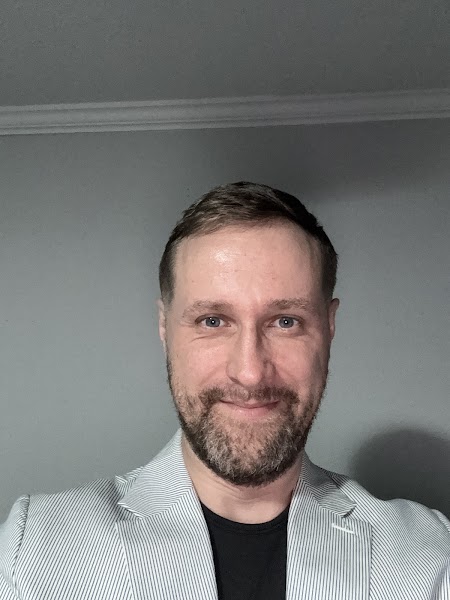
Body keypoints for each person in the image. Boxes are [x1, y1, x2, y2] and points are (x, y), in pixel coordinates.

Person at [0, 181, 449, 600]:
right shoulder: (34, 546)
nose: (250, 373)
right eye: (212, 321)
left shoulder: (428, 555)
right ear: (164, 327)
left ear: (329, 327)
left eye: (286, 321)